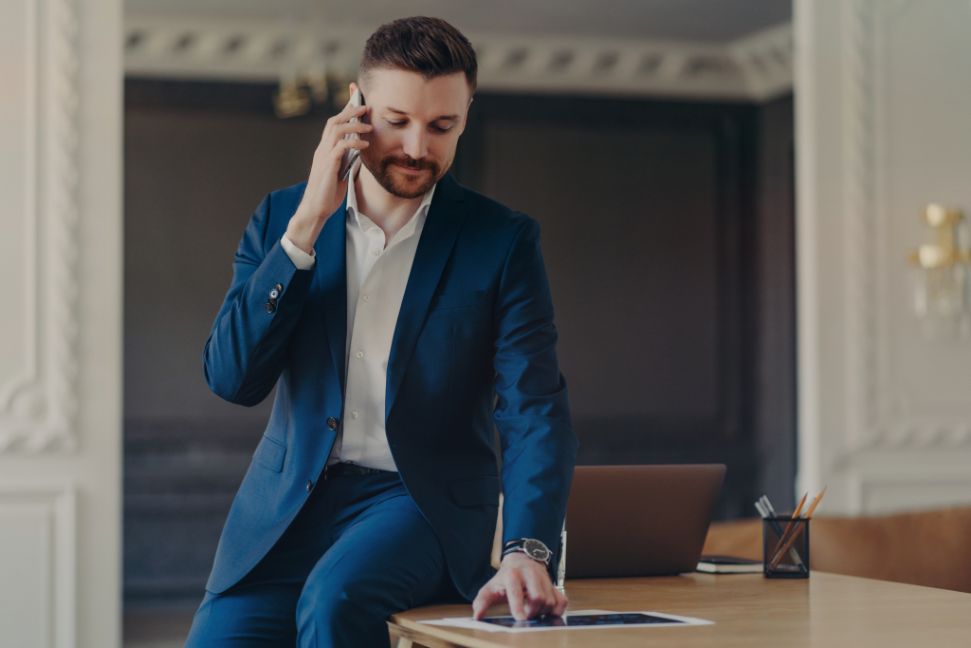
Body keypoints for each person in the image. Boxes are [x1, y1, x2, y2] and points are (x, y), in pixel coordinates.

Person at [185, 16, 576, 647]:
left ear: (466, 116)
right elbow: (232, 379)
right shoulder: (280, 218)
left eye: (442, 126)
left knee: (336, 603)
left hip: (417, 505)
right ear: (357, 109)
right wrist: (306, 227)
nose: (418, 147)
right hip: (288, 509)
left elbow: (533, 408)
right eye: (397, 121)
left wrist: (527, 548)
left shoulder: (502, 242)